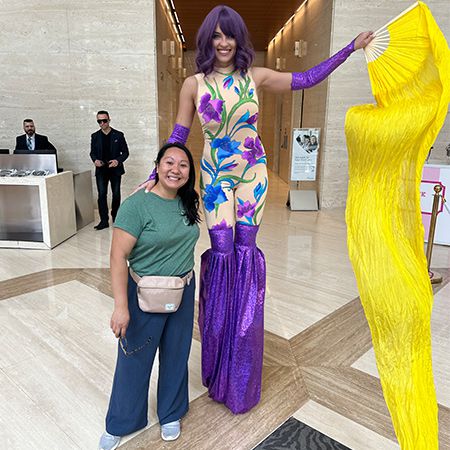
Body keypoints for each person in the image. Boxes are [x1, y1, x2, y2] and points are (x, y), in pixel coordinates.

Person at [140, 5, 374, 414]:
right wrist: (155, 172)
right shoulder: (193, 85)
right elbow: (179, 133)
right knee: (222, 254)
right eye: (216, 35)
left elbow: (306, 78)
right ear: (207, 40)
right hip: (215, 175)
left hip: (253, 173)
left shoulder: (256, 77)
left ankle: (242, 366)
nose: (223, 42)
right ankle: (219, 360)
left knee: (245, 256)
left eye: (229, 35)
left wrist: (349, 49)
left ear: (239, 39)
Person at [98, 142, 200, 450]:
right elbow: (117, 257)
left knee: (177, 354)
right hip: (144, 292)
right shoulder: (136, 205)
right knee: (135, 357)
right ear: (157, 166)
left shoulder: (189, 200)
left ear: (190, 172)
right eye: (169, 162)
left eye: (183, 165)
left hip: (182, 289)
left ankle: (171, 412)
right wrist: (121, 306)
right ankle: (121, 421)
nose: (175, 169)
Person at [90, 110, 129, 230]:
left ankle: (116, 217)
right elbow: (92, 153)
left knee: (116, 194)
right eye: (99, 121)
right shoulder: (95, 136)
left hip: (115, 170)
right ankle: (104, 221)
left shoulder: (119, 135)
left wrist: (117, 161)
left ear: (109, 120)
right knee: (102, 195)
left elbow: (125, 152)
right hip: (101, 170)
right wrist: (95, 160)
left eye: (104, 120)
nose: (102, 123)